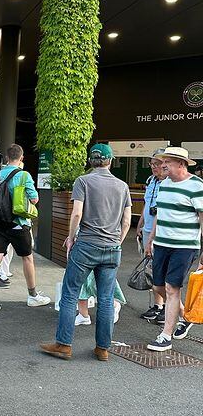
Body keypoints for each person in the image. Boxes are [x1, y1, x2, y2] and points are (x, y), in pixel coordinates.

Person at [41, 143, 132, 362]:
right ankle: (102, 349)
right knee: (106, 298)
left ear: (91, 161)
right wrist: (116, 242)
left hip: (86, 246)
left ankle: (64, 345)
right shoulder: (122, 186)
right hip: (112, 248)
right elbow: (127, 220)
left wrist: (72, 237)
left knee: (70, 293)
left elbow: (76, 214)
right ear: (110, 161)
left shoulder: (83, 181)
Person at [144, 147, 203, 351]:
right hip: (161, 244)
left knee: (171, 288)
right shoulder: (164, 184)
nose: (163, 165)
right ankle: (185, 317)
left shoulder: (196, 186)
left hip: (184, 246)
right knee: (158, 287)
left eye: (167, 161)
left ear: (181, 163)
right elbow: (161, 213)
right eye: (162, 161)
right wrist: (151, 238)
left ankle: (165, 336)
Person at [0, 144, 51, 311]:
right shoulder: (24, 175)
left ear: (7, 157)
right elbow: (34, 199)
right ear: (21, 157)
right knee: (27, 258)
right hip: (18, 224)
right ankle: (33, 296)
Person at [137, 150, 167, 322]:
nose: (154, 167)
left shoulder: (170, 183)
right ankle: (158, 305)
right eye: (152, 164)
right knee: (151, 269)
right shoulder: (150, 181)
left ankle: (166, 307)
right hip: (148, 229)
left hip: (162, 232)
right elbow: (146, 204)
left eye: (157, 163)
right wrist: (140, 225)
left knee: (161, 269)